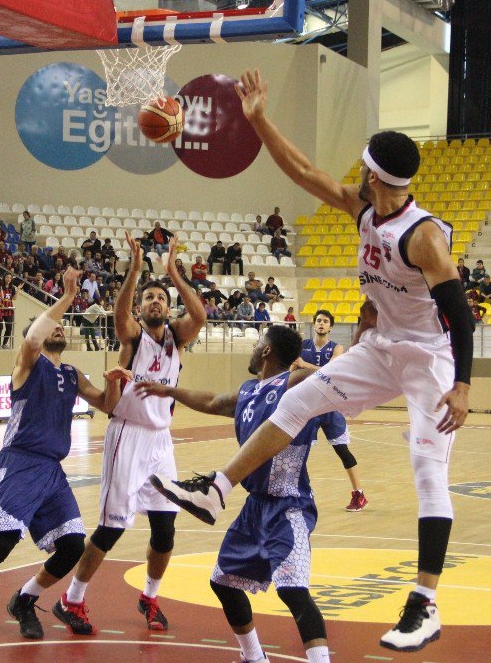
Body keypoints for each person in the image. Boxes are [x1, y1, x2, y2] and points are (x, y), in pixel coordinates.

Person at [151, 71, 474, 654]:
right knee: (297, 398)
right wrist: (257, 120)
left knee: (427, 470)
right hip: (379, 350)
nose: (355, 173)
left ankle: (424, 604)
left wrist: (464, 385)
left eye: (363, 166)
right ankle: (217, 489)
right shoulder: (364, 210)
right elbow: (303, 171)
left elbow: (460, 313)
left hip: (430, 360)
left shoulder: (422, 237)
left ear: (377, 174)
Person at [0, 268, 129, 651]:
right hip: (20, 463)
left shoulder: (71, 373)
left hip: (52, 471)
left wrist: (115, 377)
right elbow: (35, 336)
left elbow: (107, 405)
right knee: (0, 543)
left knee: (72, 546)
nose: (58, 330)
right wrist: (67, 299)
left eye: (61, 327)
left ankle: (25, 598)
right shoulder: (26, 365)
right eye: (50, 327)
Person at [138, 326, 329, 663]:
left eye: (258, 343)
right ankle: (254, 657)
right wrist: (167, 390)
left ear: (267, 351)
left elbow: (331, 376)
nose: (254, 349)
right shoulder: (249, 391)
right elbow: (212, 401)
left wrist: (307, 368)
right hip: (254, 507)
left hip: (288, 505)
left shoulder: (293, 383)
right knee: (224, 582)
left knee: (293, 589)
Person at [61, 231, 206, 634]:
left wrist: (173, 274)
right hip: (127, 435)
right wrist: (136, 273)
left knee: (165, 530)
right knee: (111, 528)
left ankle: (150, 596)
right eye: (149, 298)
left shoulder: (178, 338)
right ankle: (71, 599)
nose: (155, 301)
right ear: (140, 310)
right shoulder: (132, 337)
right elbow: (119, 313)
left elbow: (200, 317)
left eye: (160, 298)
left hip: (161, 441)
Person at [293, 310, 366, 511]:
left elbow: (330, 372)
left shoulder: (337, 348)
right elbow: (293, 370)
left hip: (331, 405)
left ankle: (358, 494)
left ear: (331, 327)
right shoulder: (302, 346)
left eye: (325, 321)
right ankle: (298, 493)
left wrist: (305, 366)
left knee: (342, 451)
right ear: (313, 324)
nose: (321, 324)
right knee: (299, 451)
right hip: (309, 405)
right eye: (318, 321)